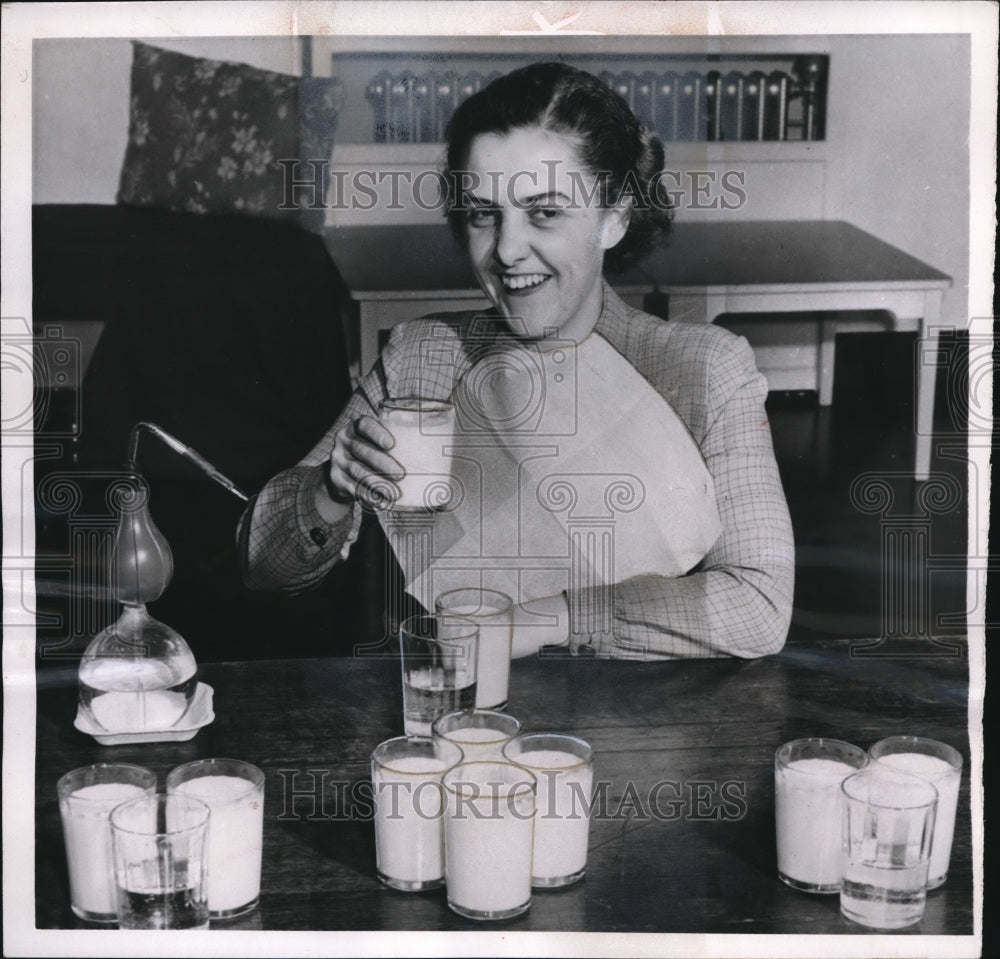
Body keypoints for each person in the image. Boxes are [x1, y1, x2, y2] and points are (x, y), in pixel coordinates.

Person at [239, 62, 794, 660]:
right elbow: (261, 566)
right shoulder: (424, 357)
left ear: (614, 218)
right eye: (484, 214)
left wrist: (552, 618)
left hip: (644, 729)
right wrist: (331, 487)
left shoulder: (703, 368)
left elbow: (758, 605)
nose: (505, 250)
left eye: (545, 212)